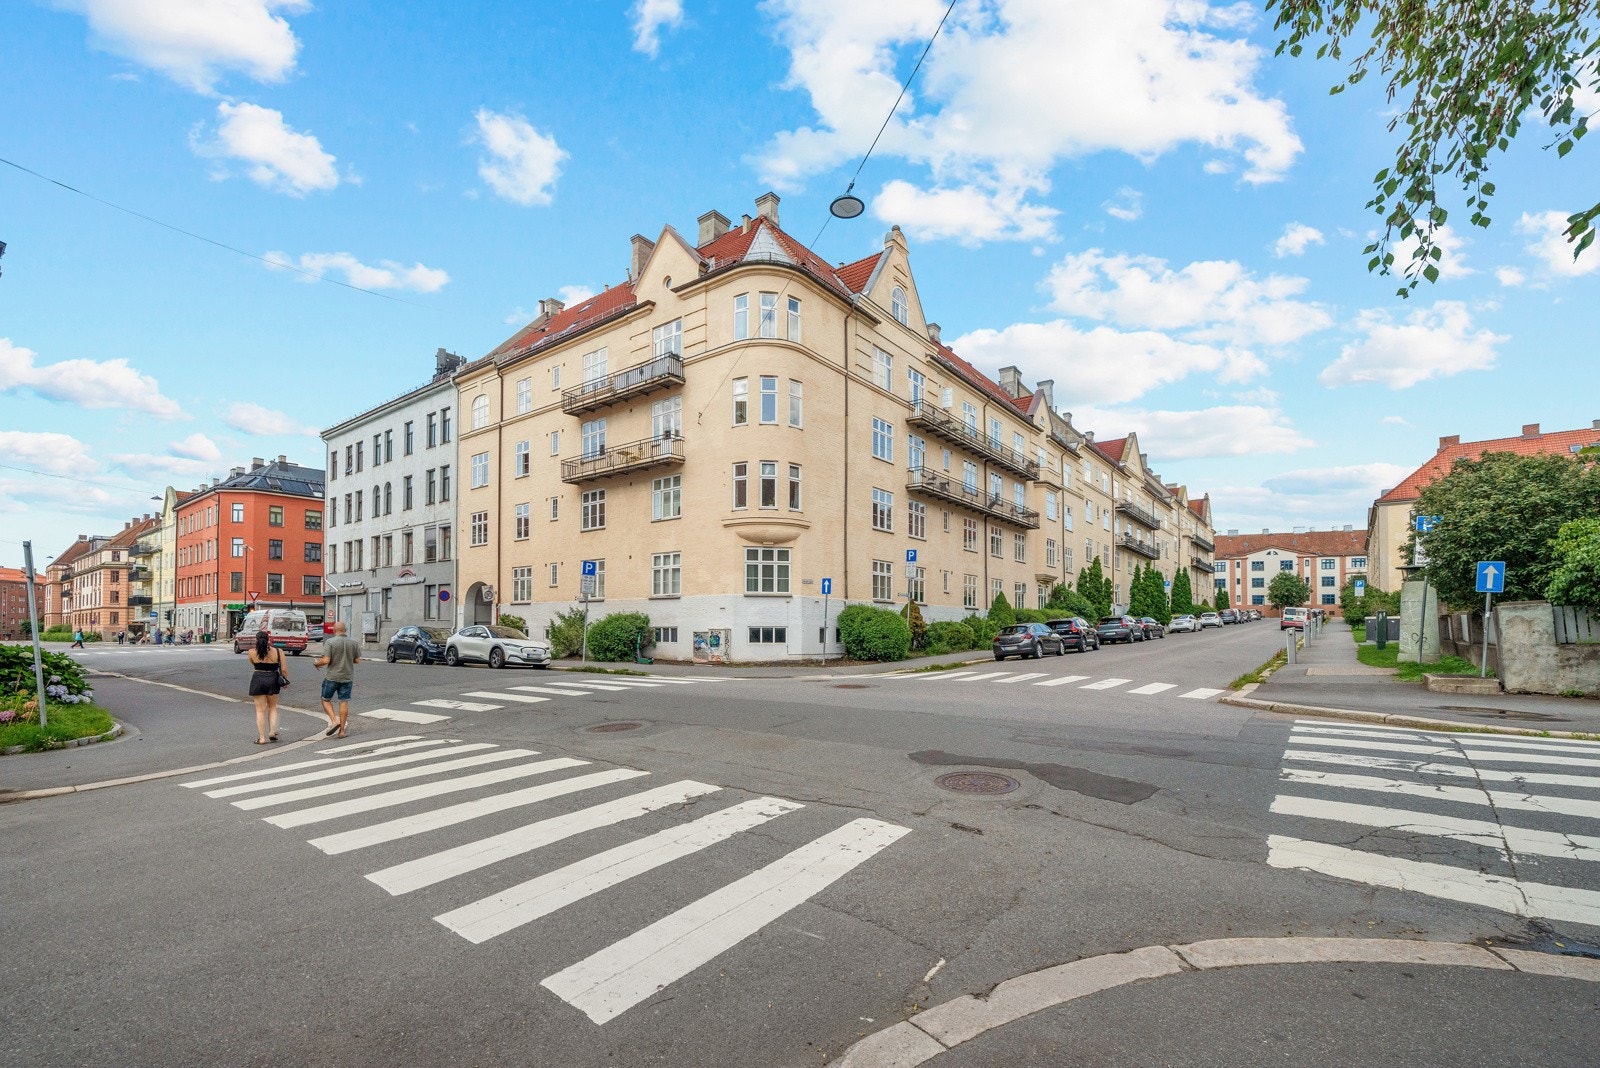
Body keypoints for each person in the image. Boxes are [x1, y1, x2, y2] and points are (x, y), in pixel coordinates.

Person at [314, 621, 361, 738]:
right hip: (347, 677)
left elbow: (325, 660)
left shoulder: (330, 642)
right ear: (345, 630)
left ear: (334, 631)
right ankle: (342, 731)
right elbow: (357, 660)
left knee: (325, 699)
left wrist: (317, 664)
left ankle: (334, 721)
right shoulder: (354, 643)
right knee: (343, 702)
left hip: (332, 677)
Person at [246, 630, 287, 744]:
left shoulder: (251, 652)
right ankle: (272, 732)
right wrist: (285, 681)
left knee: (260, 711)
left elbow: (252, 663)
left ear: (256, 640)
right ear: (269, 639)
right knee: (272, 707)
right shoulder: (279, 652)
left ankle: (262, 738)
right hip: (273, 678)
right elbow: (283, 669)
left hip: (258, 678)